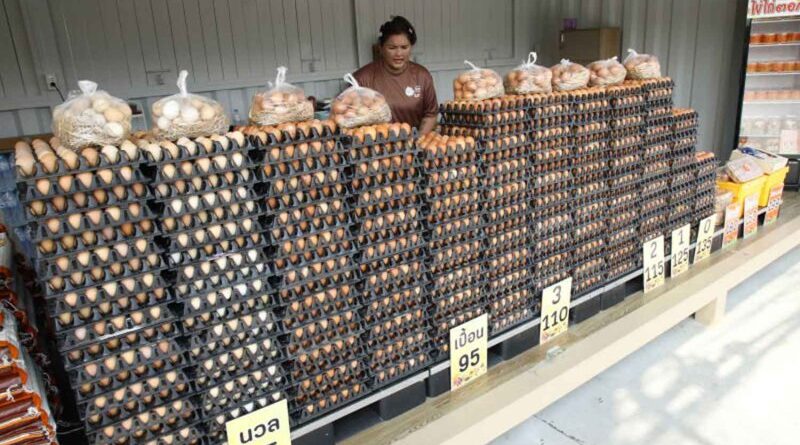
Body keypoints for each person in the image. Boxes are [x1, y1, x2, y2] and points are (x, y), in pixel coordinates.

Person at [353, 16, 438, 135]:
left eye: (404, 47)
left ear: (411, 47)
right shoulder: (362, 79)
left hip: (414, 142)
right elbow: (351, 119)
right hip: (376, 144)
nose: (399, 53)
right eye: (392, 48)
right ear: (381, 48)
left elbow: (431, 114)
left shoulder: (422, 76)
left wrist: (417, 140)